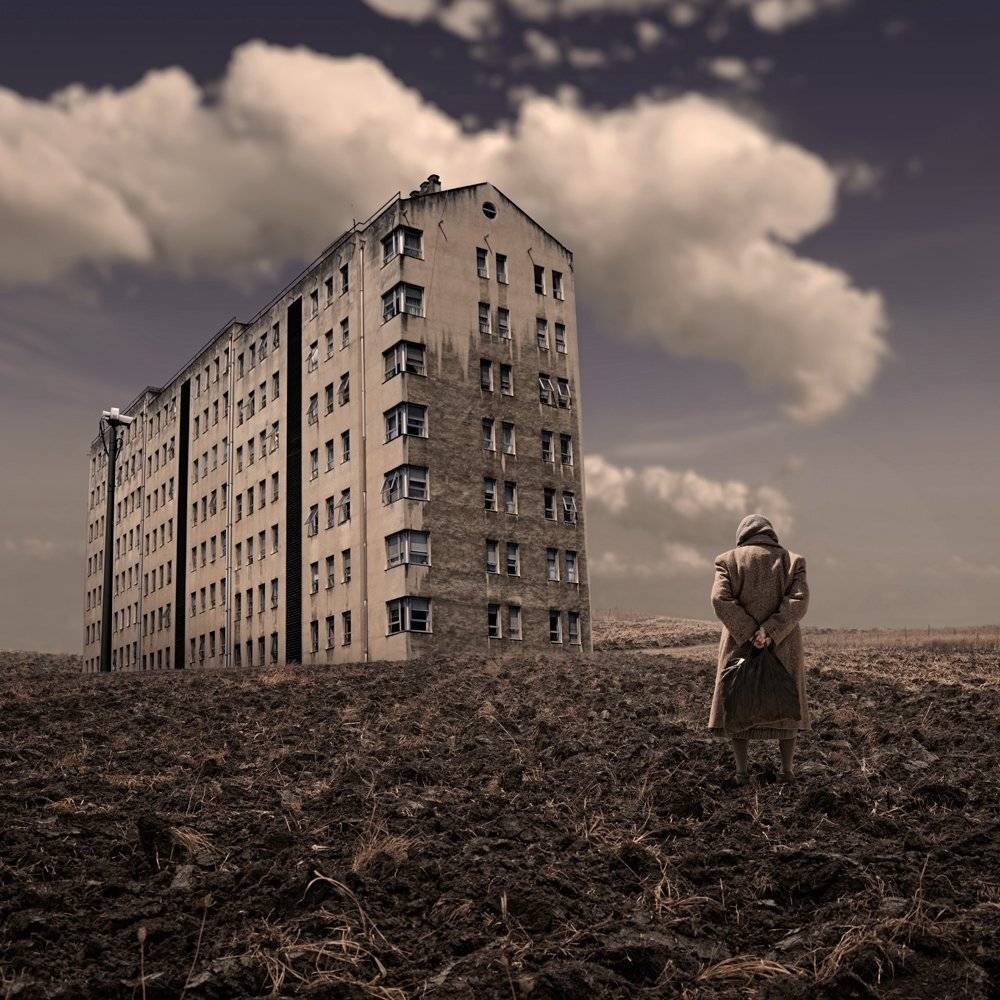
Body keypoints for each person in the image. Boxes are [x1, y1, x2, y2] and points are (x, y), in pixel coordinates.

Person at [707, 514, 810, 784]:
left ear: (742, 535)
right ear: (771, 534)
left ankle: (742, 773)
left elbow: (720, 599)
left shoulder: (727, 560)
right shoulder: (793, 561)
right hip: (783, 645)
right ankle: (787, 772)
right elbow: (799, 601)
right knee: (786, 705)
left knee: (738, 701)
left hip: (739, 645)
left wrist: (749, 631)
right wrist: (769, 631)